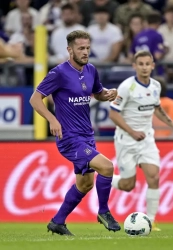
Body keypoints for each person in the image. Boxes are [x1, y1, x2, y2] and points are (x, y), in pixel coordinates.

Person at [29, 30, 121, 236]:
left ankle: (58, 221)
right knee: (107, 167)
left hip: (87, 135)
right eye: (81, 48)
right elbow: (35, 99)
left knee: (86, 183)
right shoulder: (58, 73)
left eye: (88, 48)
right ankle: (104, 211)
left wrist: (108, 94)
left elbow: (98, 93)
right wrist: (52, 119)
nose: (85, 52)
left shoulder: (91, 70)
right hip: (69, 138)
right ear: (69, 50)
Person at [109, 50, 173, 231]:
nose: (144, 67)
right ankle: (101, 178)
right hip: (126, 140)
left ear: (152, 66)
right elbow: (113, 114)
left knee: (154, 177)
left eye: (147, 64)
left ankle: (150, 221)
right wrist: (132, 131)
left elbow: (157, 108)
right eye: (140, 64)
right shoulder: (126, 87)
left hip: (146, 140)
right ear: (134, 66)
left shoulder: (156, 86)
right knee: (128, 185)